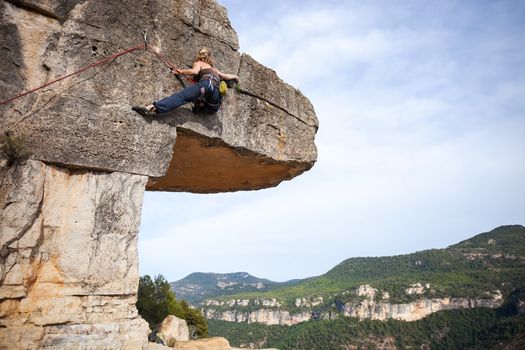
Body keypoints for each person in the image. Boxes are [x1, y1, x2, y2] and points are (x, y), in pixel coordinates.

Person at [132, 48, 239, 118]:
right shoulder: (214, 69)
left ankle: (151, 108)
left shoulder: (199, 63)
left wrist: (180, 71)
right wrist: (235, 76)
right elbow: (226, 76)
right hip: (215, 98)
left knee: (182, 97)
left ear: (199, 56)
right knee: (208, 107)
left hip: (206, 85)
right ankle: (200, 107)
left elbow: (194, 72)